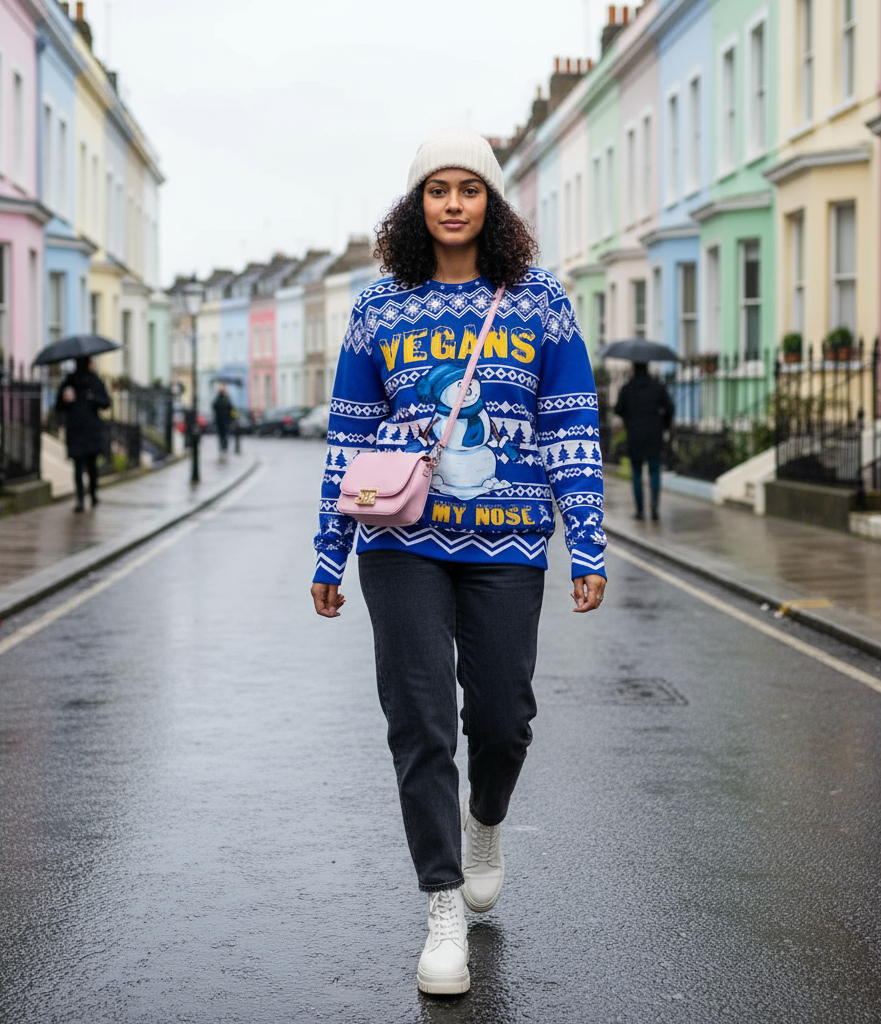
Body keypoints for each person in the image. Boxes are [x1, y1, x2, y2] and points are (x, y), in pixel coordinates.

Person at [310, 130, 607, 996]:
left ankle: (486, 819)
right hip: (399, 542)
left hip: (511, 539)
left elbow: (571, 424)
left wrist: (584, 538)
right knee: (419, 721)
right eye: (435, 189)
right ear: (415, 205)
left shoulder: (539, 300)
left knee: (504, 717)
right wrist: (331, 552)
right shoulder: (378, 306)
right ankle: (442, 908)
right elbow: (349, 436)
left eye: (467, 189)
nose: (451, 203)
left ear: (491, 202)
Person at [613, 362, 674, 521]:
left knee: (637, 473)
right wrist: (664, 424)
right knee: (654, 471)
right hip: (654, 434)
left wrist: (628, 418)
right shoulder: (657, 387)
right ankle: (654, 507)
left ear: (634, 369)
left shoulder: (627, 388)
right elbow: (670, 408)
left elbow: (618, 409)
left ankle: (640, 510)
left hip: (635, 435)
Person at [56, 356, 111, 513]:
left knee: (90, 466)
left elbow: (106, 402)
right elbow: (59, 406)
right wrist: (65, 400)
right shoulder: (69, 383)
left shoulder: (94, 382)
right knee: (79, 466)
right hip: (77, 429)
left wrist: (93, 399)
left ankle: (92, 494)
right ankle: (80, 498)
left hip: (89, 429)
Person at [212, 384, 234, 456]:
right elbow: (231, 409)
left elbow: (214, 407)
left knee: (221, 436)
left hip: (220, 421)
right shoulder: (226, 399)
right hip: (225, 421)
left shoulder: (218, 399)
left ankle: (222, 448)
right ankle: (224, 448)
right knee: (225, 435)